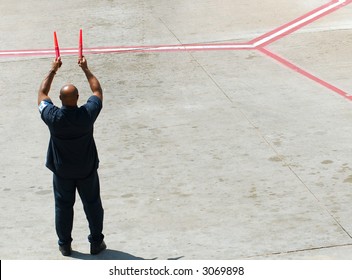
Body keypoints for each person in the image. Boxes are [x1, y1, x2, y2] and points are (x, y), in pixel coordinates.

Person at [38, 56, 106, 256]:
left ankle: (65, 245)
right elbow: (97, 91)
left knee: (63, 206)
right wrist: (85, 68)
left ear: (59, 100)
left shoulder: (53, 117)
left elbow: (42, 93)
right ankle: (96, 242)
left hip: (62, 171)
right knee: (92, 204)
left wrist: (53, 69)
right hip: (86, 169)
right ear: (78, 98)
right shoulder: (87, 114)